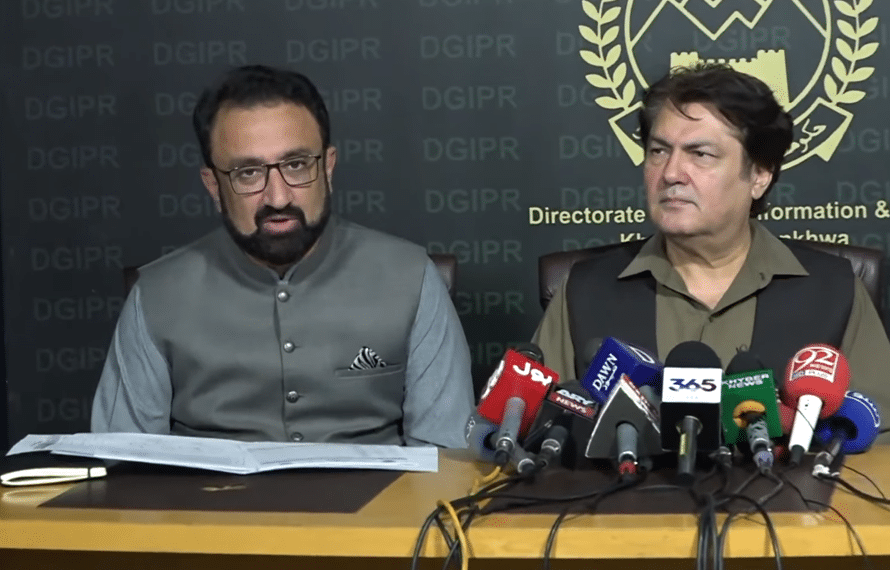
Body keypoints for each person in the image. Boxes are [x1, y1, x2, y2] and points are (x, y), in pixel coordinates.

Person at [91, 65, 474, 447]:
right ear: (213, 186)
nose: (277, 197)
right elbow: (123, 460)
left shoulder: (412, 279)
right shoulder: (156, 295)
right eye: (248, 173)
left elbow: (447, 456)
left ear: (328, 167)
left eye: (296, 165)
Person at [533, 62, 890, 439]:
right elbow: (535, 432)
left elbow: (880, 442)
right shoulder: (584, 290)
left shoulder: (834, 291)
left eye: (700, 154)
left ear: (759, 175)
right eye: (658, 151)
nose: (671, 173)